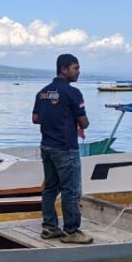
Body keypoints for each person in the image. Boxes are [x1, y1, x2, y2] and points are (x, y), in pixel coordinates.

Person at [32, 54, 93, 244]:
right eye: (75, 68)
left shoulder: (43, 92)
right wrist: (72, 121)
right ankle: (71, 231)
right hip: (66, 148)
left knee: (50, 188)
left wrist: (54, 117)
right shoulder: (73, 93)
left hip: (47, 146)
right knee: (70, 190)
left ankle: (50, 227)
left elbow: (35, 118)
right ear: (64, 69)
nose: (78, 72)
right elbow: (85, 122)